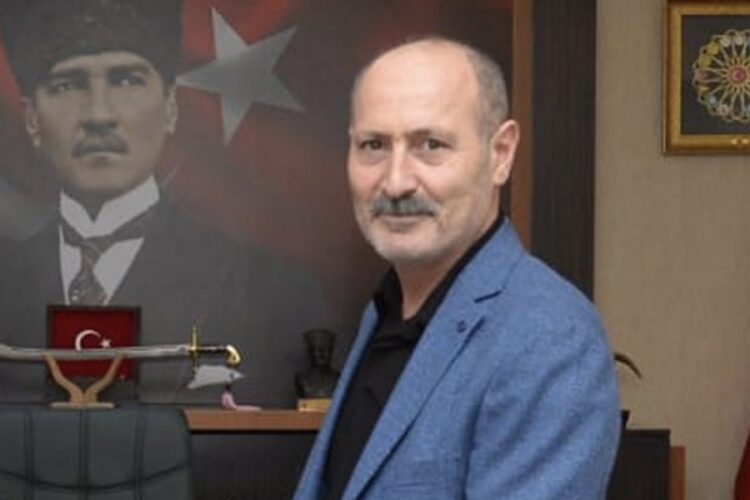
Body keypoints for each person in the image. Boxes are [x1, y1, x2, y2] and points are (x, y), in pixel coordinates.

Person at [294, 37, 620, 499]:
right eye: (373, 145)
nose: (396, 182)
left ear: (501, 154)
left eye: (431, 144)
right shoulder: (386, 311)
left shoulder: (551, 337)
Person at [0, 0, 322, 406]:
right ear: (32, 118)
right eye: (67, 85)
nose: (98, 115)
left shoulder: (272, 293)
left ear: (171, 107)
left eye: (126, 80)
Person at [295, 328, 340, 399]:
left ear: (331, 351)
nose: (317, 354)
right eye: (313, 350)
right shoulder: (301, 378)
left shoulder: (339, 378)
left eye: (323, 350)